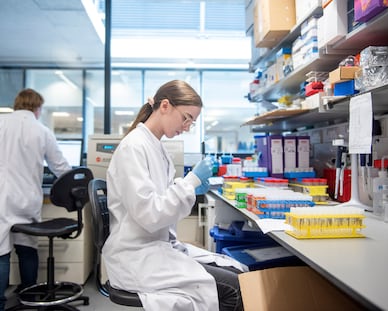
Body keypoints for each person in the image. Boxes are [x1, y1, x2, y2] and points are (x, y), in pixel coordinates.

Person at [103, 80, 246, 311]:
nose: (188, 126)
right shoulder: (134, 147)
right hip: (135, 257)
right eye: (186, 118)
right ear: (165, 106)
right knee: (236, 288)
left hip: (155, 248)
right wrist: (189, 183)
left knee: (236, 270)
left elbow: (160, 199)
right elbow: (149, 214)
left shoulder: (157, 148)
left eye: (192, 121)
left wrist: (188, 188)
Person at [0, 88, 72, 311]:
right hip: (27, 198)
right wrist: (81, 183)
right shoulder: (42, 130)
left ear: (17, 104)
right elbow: (61, 168)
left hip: (1, 197)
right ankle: (28, 295)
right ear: (37, 107)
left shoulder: (1, 123)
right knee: (27, 246)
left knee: (1, 252)